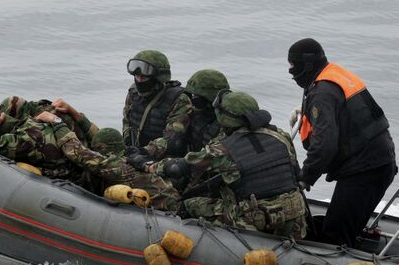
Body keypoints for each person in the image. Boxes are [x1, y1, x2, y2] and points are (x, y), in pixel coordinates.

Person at [137, 90, 307, 239]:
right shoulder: (281, 136)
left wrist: (147, 165)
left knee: (191, 204)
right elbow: (294, 172)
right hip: (295, 220)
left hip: (256, 220)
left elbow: (178, 167)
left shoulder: (223, 149)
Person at [287, 38, 396, 246]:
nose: (290, 71)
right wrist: (308, 114)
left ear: (307, 64)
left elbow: (324, 145)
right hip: (379, 161)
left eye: (293, 65)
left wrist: (306, 177)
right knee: (345, 226)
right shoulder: (333, 75)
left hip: (364, 171)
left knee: (334, 237)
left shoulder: (322, 93)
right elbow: (345, 115)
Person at [35, 112, 180, 211]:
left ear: (104, 149)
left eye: (97, 149)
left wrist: (57, 122)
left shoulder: (118, 167)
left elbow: (77, 153)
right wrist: (75, 115)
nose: (94, 151)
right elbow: (96, 136)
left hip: (167, 213)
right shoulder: (126, 157)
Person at [122, 50, 193, 160]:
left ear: (158, 78)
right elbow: (127, 121)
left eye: (144, 77)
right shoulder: (133, 92)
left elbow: (172, 138)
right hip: (135, 152)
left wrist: (144, 152)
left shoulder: (179, 99)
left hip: (164, 160)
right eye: (137, 76)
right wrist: (128, 147)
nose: (139, 81)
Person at [183, 69, 230, 152]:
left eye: (196, 96)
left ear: (210, 97)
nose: (192, 99)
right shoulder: (197, 112)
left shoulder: (227, 122)